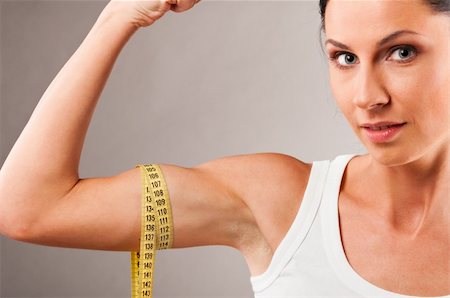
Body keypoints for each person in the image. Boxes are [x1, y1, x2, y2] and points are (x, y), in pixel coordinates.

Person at [0, 0, 448, 296]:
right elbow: (30, 208)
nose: (367, 96)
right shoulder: (282, 205)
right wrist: (120, 16)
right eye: (344, 58)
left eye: (402, 52)